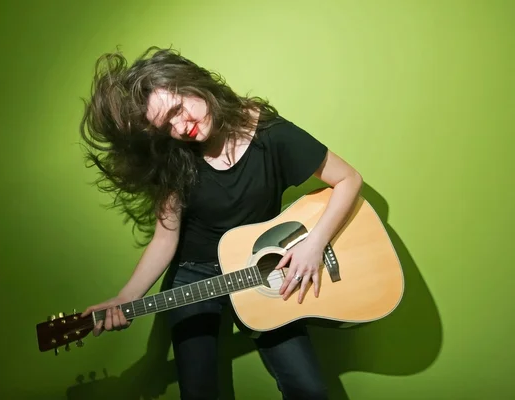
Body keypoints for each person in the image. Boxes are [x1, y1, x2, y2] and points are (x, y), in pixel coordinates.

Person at [79, 46, 363, 400]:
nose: (181, 128)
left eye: (178, 110)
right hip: (193, 274)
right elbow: (165, 240)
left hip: (261, 270)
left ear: (193, 83)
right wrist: (125, 298)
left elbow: (349, 179)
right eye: (167, 126)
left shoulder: (273, 136)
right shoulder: (175, 156)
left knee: (309, 389)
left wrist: (314, 243)